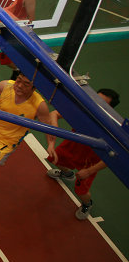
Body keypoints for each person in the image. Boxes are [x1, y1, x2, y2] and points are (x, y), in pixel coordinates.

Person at [0, 74, 56, 205]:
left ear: (34, 88)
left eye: (26, 84)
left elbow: (47, 125)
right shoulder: (6, 86)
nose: (19, 85)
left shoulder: (39, 105)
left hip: (10, 138)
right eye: (18, 80)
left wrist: (51, 144)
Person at [46, 88, 120, 220]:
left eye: (101, 103)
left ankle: (87, 204)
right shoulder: (82, 109)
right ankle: (67, 174)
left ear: (109, 109)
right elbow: (54, 114)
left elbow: (112, 157)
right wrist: (55, 127)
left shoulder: (112, 130)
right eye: (95, 99)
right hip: (73, 145)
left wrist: (89, 171)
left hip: (91, 159)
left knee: (81, 190)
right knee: (54, 158)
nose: (95, 103)